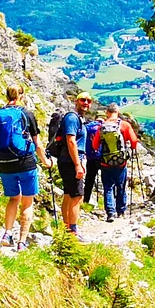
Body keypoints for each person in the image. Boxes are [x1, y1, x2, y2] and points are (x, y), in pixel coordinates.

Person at [0, 85, 40, 247]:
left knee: (14, 198)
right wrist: (46, 161)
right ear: (22, 95)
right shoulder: (27, 114)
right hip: (26, 163)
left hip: (5, 164)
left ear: (6, 95)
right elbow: (37, 143)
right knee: (27, 202)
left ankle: (7, 235)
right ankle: (21, 242)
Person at [52, 93, 92, 233]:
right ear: (76, 101)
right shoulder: (72, 118)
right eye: (83, 100)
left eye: (88, 101)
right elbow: (71, 141)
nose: (85, 103)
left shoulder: (77, 118)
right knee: (77, 196)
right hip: (71, 161)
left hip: (68, 160)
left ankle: (66, 228)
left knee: (69, 194)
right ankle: (73, 231)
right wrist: (77, 164)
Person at [95, 102, 138, 221]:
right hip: (121, 162)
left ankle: (110, 213)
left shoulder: (102, 126)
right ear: (117, 112)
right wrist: (130, 150)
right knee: (121, 186)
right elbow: (134, 142)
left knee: (108, 187)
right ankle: (121, 211)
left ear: (107, 113)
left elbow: (95, 144)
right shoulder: (124, 125)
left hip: (105, 162)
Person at [81, 104, 104, 209]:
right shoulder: (106, 127)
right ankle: (111, 204)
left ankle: (85, 200)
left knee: (89, 180)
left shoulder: (88, 127)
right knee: (107, 182)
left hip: (90, 157)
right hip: (103, 157)